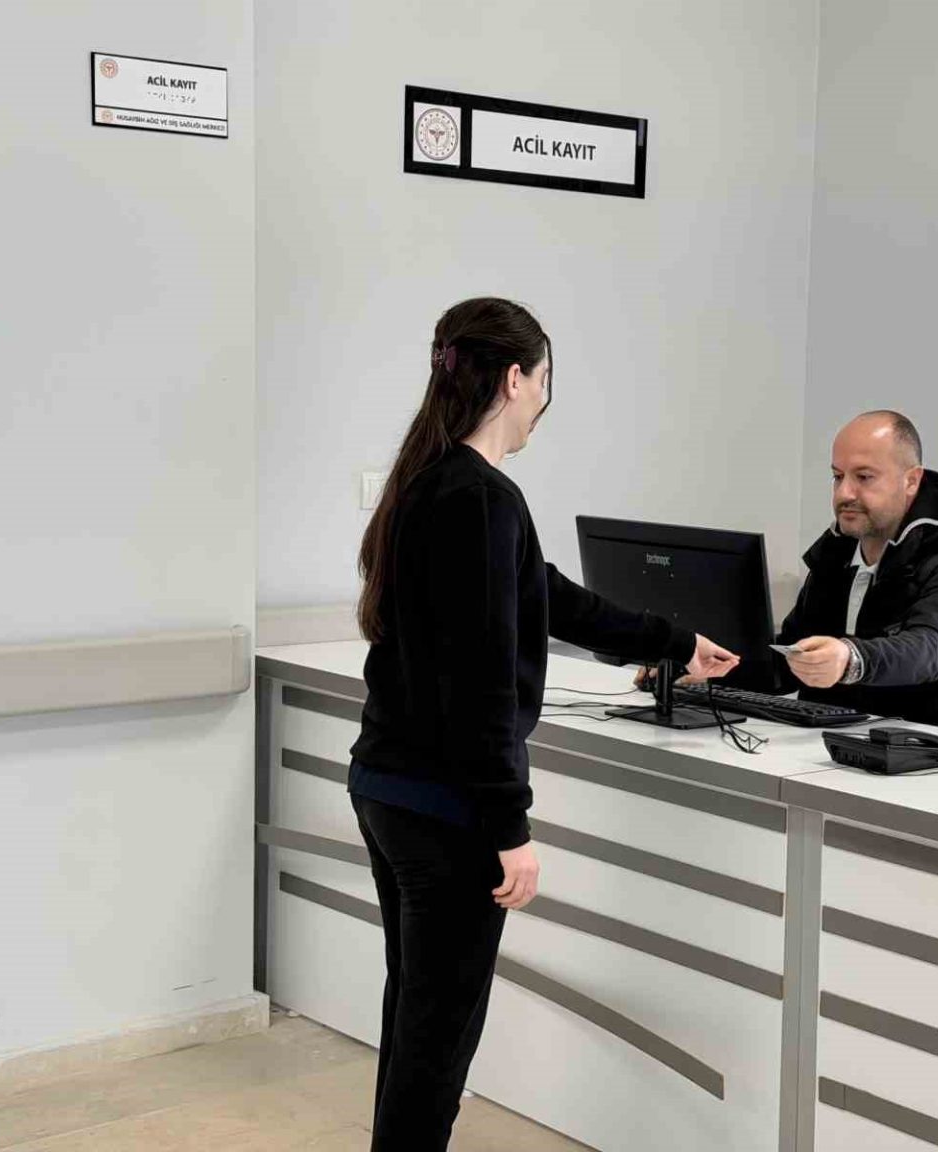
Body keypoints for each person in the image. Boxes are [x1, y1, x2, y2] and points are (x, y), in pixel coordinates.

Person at [348, 297, 739, 1152]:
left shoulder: (428, 483)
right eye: (546, 380)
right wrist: (510, 828)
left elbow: (549, 597)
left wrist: (674, 642)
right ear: (515, 379)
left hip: (387, 789)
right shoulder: (482, 497)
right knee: (436, 1042)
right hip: (446, 810)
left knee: (415, 1016)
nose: (545, 402)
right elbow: (484, 683)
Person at [657, 411, 938, 736]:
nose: (844, 493)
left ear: (911, 481)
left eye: (864, 477)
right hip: (843, 746)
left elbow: (928, 649)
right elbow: (786, 663)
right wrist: (696, 666)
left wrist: (850, 658)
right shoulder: (836, 557)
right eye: (837, 476)